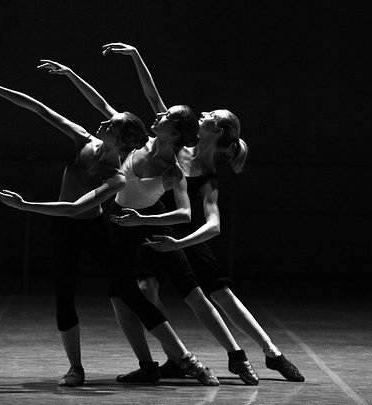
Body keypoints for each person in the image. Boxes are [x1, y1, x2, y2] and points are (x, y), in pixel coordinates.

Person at [0, 61, 218, 387]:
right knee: (64, 293)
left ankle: (186, 359)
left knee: (128, 291)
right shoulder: (83, 139)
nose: (102, 122)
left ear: (121, 138)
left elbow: (75, 208)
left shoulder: (116, 177)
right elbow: (44, 111)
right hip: (64, 229)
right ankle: (76, 368)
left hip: (93, 228)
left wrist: (24, 205)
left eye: (110, 124)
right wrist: (1, 90)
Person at [102, 42, 305, 383]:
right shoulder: (178, 147)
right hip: (157, 227)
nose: (204, 114)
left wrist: (180, 242)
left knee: (219, 294)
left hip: (187, 236)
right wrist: (137, 56)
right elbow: (154, 99)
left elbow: (212, 226)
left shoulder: (209, 179)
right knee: (146, 288)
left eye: (212, 116)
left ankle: (271, 353)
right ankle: (172, 357)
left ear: (218, 131)